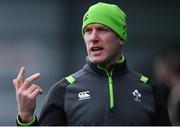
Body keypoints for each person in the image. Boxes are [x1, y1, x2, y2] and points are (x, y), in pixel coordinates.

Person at [13, 2, 171, 126]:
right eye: (88, 31)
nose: (93, 37)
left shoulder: (149, 90)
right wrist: (26, 118)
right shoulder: (63, 91)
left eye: (102, 29)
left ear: (121, 37)